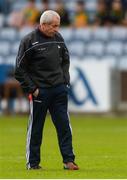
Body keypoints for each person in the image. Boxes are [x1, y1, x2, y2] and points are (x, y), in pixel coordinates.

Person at [15, 10, 79, 170]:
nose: (57, 29)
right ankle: (33, 163)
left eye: (58, 26)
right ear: (43, 25)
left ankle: (68, 160)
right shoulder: (28, 41)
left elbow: (66, 60)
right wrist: (33, 89)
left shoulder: (58, 38)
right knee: (36, 128)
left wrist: (65, 82)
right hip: (40, 92)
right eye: (54, 26)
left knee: (64, 126)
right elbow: (19, 70)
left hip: (59, 90)